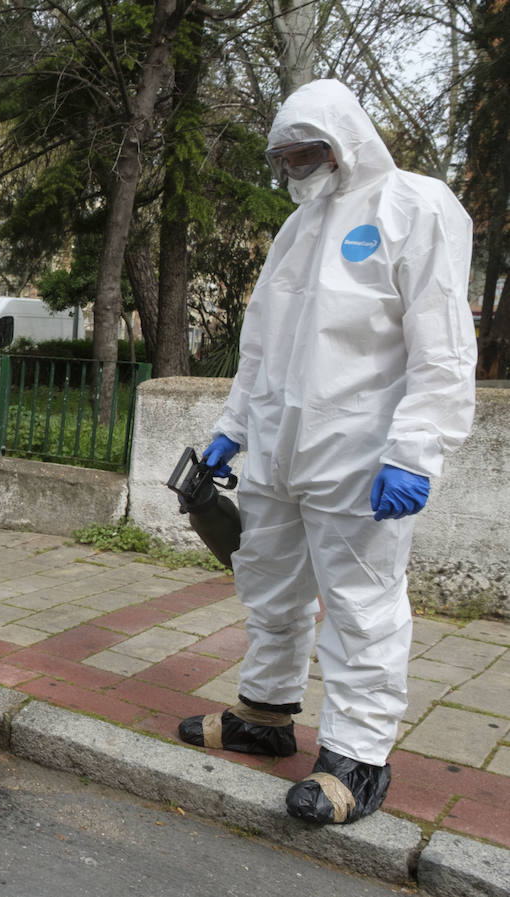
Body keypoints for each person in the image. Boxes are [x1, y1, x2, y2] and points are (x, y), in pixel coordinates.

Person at [177, 80, 477, 826]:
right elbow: (263, 348)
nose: (296, 168)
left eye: (307, 153)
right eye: (285, 157)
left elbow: (440, 343)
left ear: (344, 143)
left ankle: (356, 759)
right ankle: (265, 714)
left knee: (361, 607)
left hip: (360, 457)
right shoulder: (297, 230)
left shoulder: (417, 206)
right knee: (270, 586)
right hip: (280, 453)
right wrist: (234, 427)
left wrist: (415, 448)